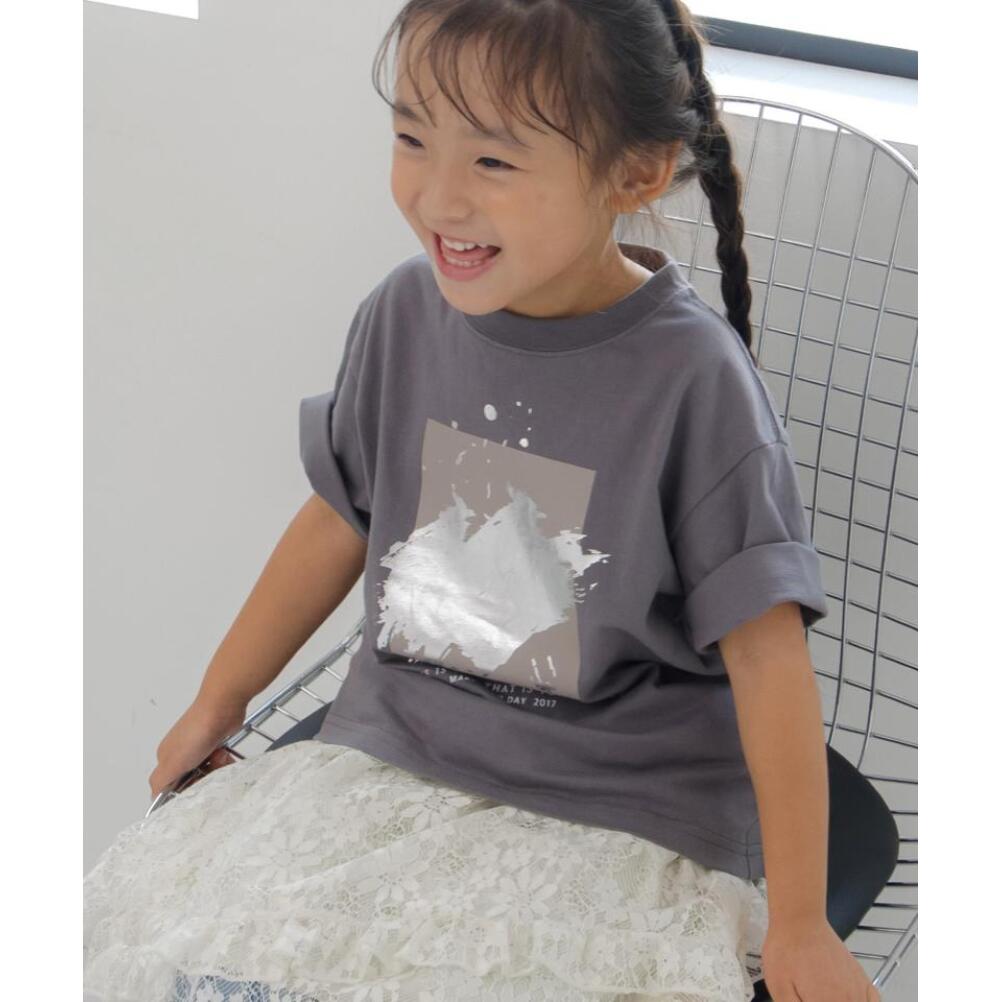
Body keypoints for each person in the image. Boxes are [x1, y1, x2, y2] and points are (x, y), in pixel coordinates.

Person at [83, 2, 883, 1001]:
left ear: (633, 174)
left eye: (493, 161)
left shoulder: (694, 383)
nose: (439, 197)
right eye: (412, 137)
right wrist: (217, 702)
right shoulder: (403, 313)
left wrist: (801, 923)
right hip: (397, 753)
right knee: (175, 960)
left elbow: (767, 655)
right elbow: (337, 519)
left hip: (612, 799)